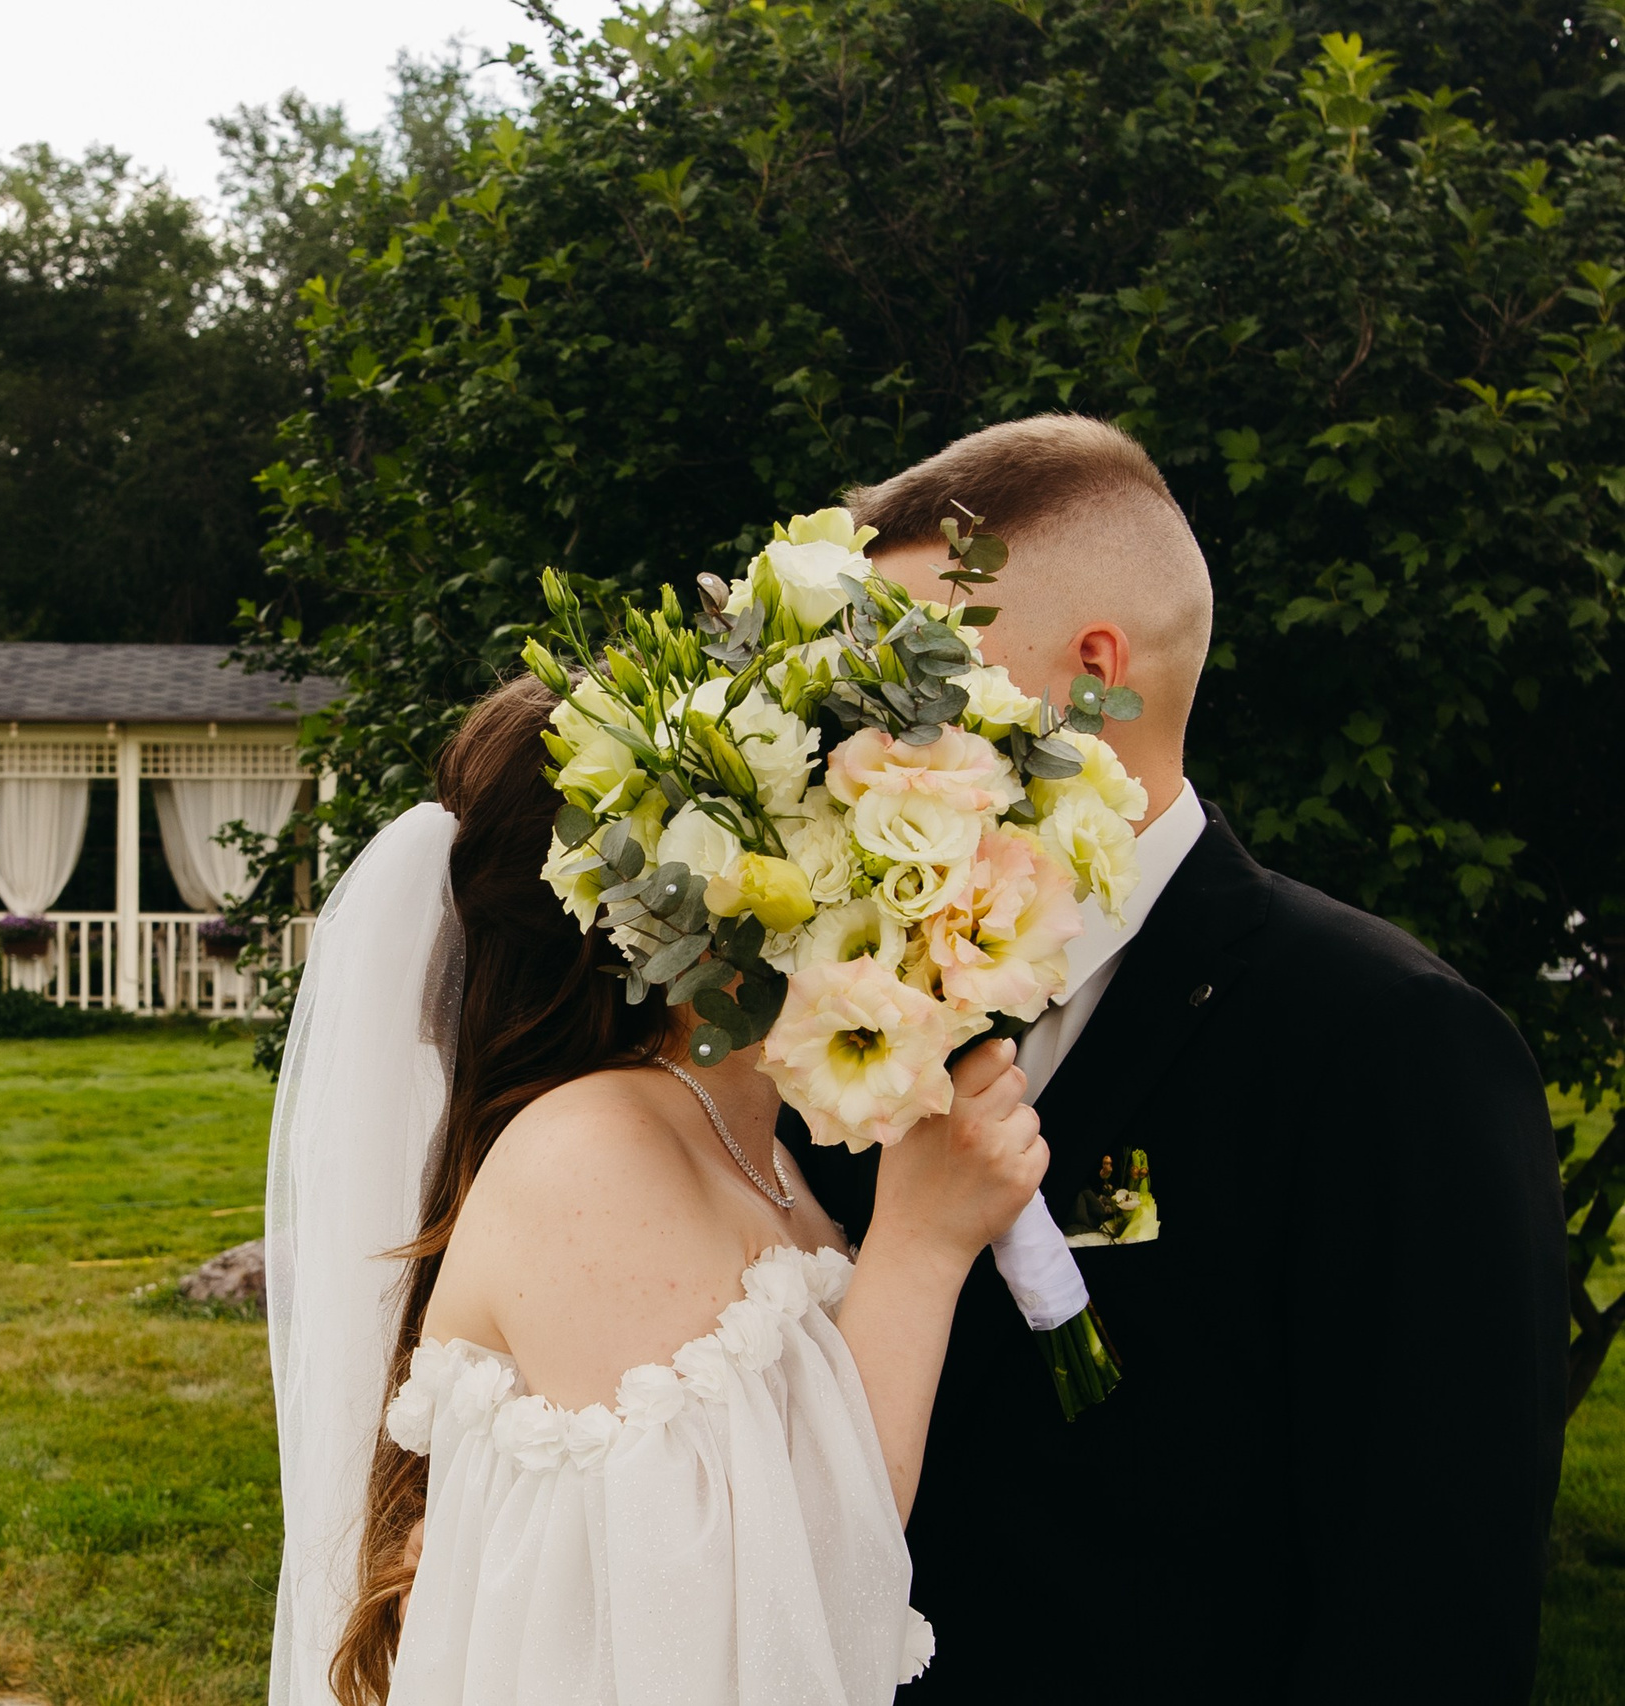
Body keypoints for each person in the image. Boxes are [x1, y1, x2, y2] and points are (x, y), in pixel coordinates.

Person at [781, 416, 1570, 1702]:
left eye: (919, 674)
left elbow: (1431, 1603)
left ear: (1095, 673)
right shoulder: (858, 1012)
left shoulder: (1389, 1045)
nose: (869, 735)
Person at [266, 676, 1051, 1706]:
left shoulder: (750, 1137)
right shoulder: (590, 1150)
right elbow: (745, 1615)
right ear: (672, 903)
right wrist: (922, 1241)